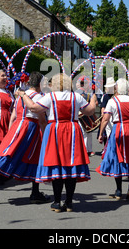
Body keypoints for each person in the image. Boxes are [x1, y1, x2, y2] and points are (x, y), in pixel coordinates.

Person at [19, 73, 98, 213]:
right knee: (70, 166)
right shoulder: (76, 97)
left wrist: (23, 95)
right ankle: (69, 202)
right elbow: (90, 111)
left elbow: (33, 108)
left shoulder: (50, 97)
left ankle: (57, 201)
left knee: (57, 164)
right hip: (72, 130)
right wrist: (93, 99)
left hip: (55, 130)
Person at [0, 72, 50, 205]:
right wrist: (46, 134)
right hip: (31, 128)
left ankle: (35, 192)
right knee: (27, 160)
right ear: (39, 84)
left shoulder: (20, 96)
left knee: (27, 160)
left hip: (18, 127)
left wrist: (11, 134)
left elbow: (12, 117)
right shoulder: (39, 97)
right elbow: (41, 120)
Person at [97, 78, 129, 200]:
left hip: (119, 129)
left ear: (116, 88)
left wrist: (100, 133)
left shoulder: (113, 101)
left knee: (117, 158)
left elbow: (105, 119)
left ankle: (119, 190)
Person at [76, 77, 94, 156]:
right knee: (84, 132)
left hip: (86, 113)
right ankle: (85, 150)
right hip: (79, 114)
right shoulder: (76, 93)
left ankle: (89, 149)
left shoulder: (89, 93)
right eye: (83, 83)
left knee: (89, 132)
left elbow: (94, 103)